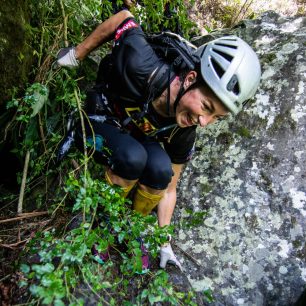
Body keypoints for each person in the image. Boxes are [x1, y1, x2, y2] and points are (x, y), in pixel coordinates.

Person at [56, 9, 261, 272]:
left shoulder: (184, 128)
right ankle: (102, 222)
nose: (204, 121)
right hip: (100, 115)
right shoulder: (142, 64)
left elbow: (170, 187)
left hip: (133, 132)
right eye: (207, 107)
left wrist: (164, 243)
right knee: (133, 157)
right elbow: (124, 19)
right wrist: (77, 53)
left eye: (216, 118)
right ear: (190, 79)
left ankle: (130, 226)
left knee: (161, 169)